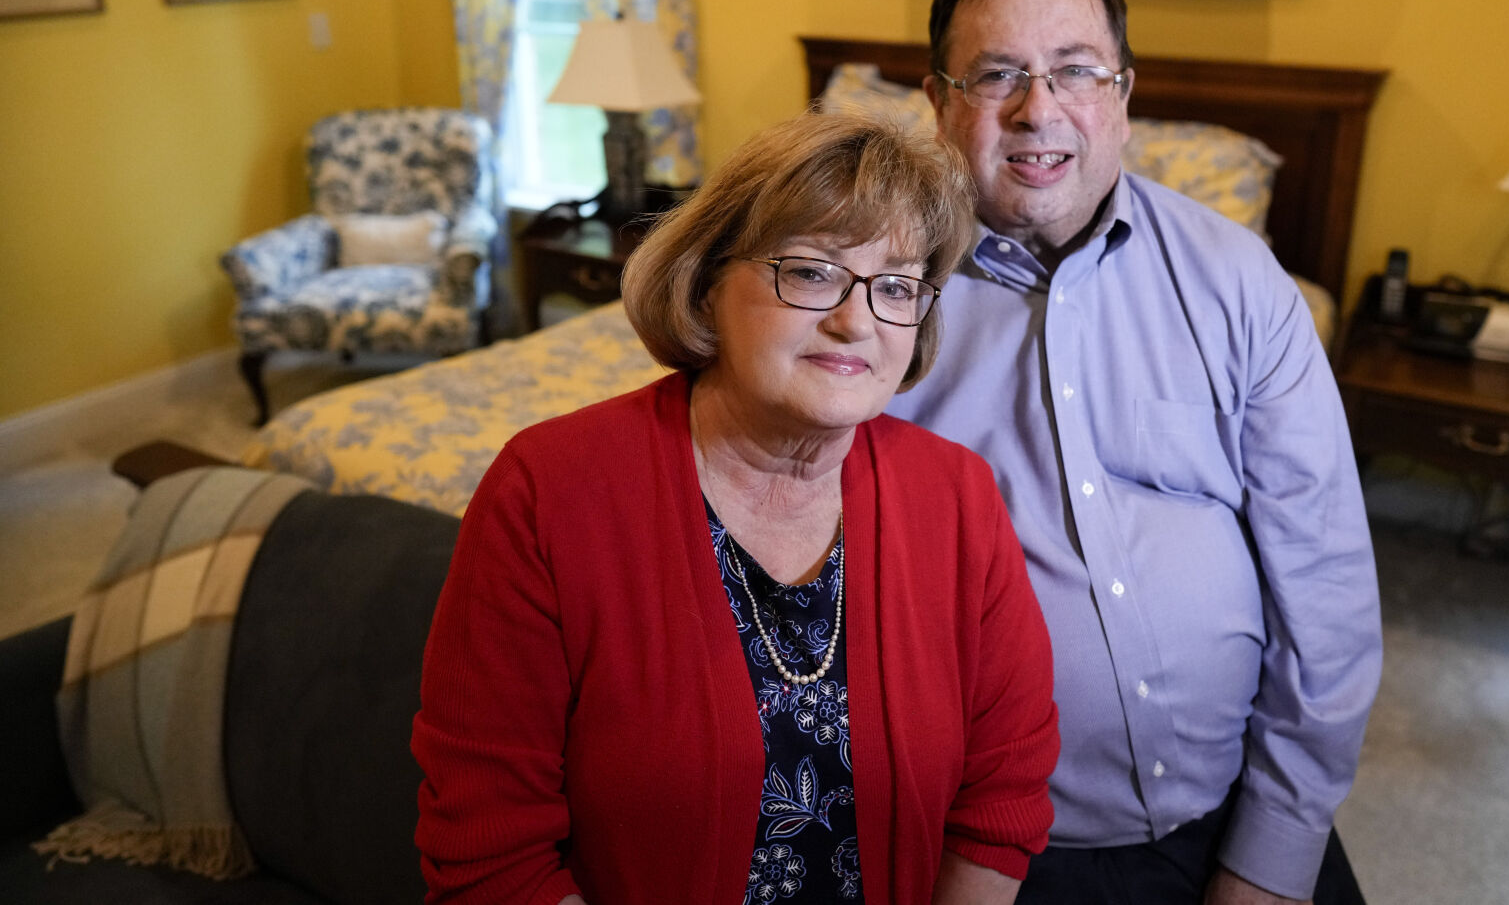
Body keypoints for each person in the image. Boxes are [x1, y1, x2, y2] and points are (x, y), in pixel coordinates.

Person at [413, 108, 1060, 905]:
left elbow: (1003, 790)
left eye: (895, 285)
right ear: (709, 280)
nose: (855, 320)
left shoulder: (957, 497)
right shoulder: (546, 492)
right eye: (812, 270)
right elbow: (489, 850)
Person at [887, 0, 1382, 905]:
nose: (1039, 110)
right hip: (989, 852)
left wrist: (1269, 857)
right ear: (939, 101)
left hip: (1238, 817)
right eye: (997, 75)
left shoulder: (1241, 281)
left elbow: (1324, 588)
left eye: (1074, 70)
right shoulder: (878, 296)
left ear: (1121, 95)